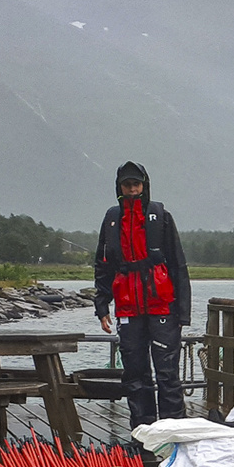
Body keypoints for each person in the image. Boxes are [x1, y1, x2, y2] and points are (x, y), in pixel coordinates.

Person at [93, 162, 191, 428]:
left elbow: (178, 265)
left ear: (144, 185)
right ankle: (143, 431)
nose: (133, 189)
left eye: (137, 184)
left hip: (162, 307)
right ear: (120, 188)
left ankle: (173, 431)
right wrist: (102, 307)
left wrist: (183, 313)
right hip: (128, 308)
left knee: (167, 373)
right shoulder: (112, 219)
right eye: (127, 185)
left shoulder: (161, 216)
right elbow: (104, 265)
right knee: (135, 374)